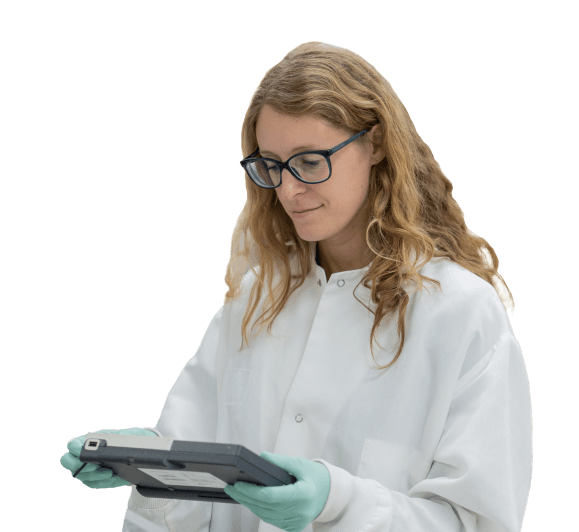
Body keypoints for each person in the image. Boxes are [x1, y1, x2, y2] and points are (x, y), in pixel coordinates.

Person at [63, 42, 532, 532]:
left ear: (374, 143)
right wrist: (156, 469)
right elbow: (192, 495)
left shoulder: (460, 313)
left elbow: (479, 522)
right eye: (271, 164)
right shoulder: (255, 298)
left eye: (310, 161)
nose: (287, 189)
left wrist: (341, 502)